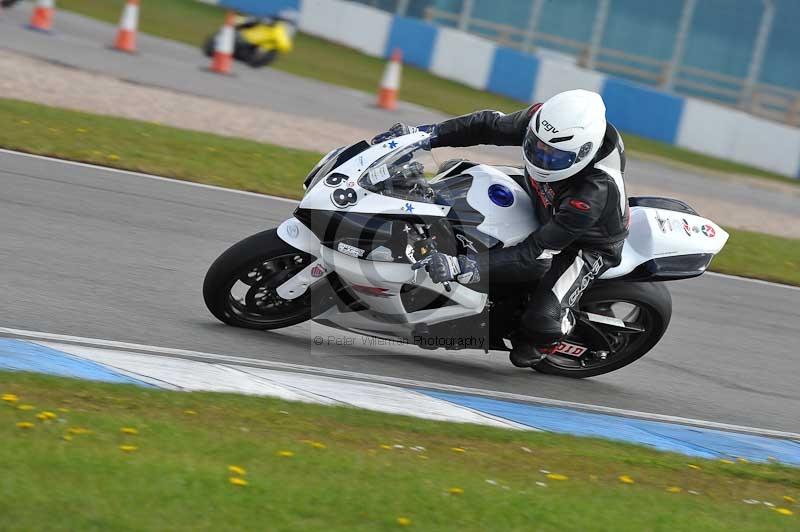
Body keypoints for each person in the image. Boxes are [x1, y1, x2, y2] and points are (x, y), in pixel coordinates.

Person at [375, 89, 629, 368]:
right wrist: (425, 135)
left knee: (541, 322)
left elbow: (535, 253)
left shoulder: (592, 195)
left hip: (582, 243)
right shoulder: (543, 123)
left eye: (553, 156)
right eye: (538, 147)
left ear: (583, 153)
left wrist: (464, 266)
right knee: (457, 173)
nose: (542, 157)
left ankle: (557, 331)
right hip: (543, 196)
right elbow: (488, 125)